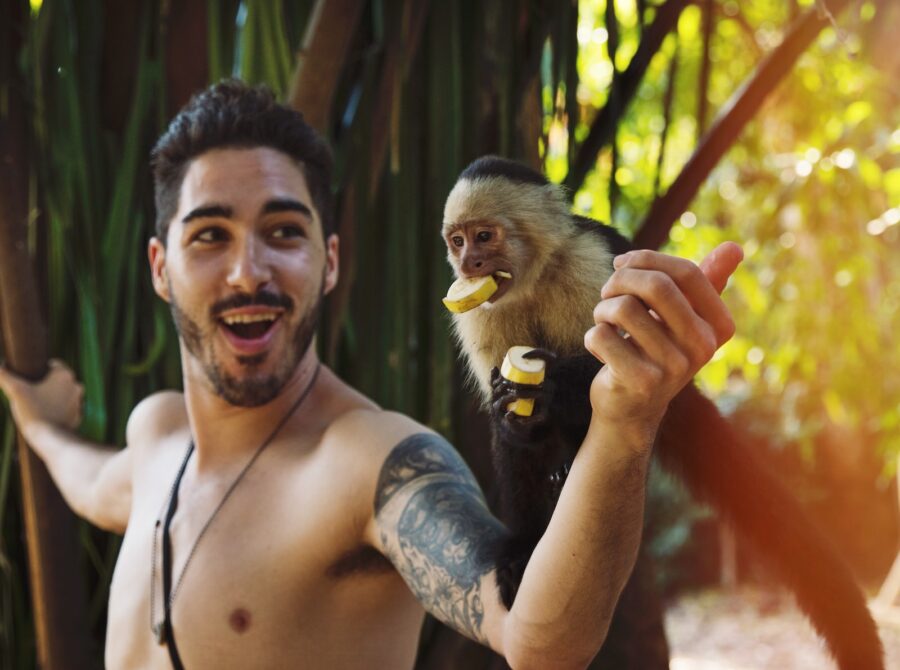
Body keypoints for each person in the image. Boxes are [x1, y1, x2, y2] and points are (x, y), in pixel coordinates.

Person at [0, 80, 743, 669]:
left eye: (283, 232)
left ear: (329, 262)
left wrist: (622, 423)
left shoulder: (370, 462)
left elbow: (537, 636)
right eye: (209, 236)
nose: (247, 271)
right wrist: (36, 419)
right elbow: (92, 482)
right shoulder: (157, 436)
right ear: (160, 269)